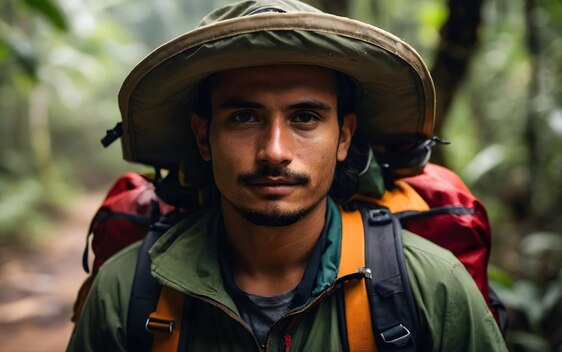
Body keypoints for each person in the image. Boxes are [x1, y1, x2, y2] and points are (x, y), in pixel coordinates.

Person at [68, 0, 507, 351]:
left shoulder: (431, 286)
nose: (274, 152)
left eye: (305, 117)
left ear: (344, 137)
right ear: (203, 137)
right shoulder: (126, 292)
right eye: (243, 117)